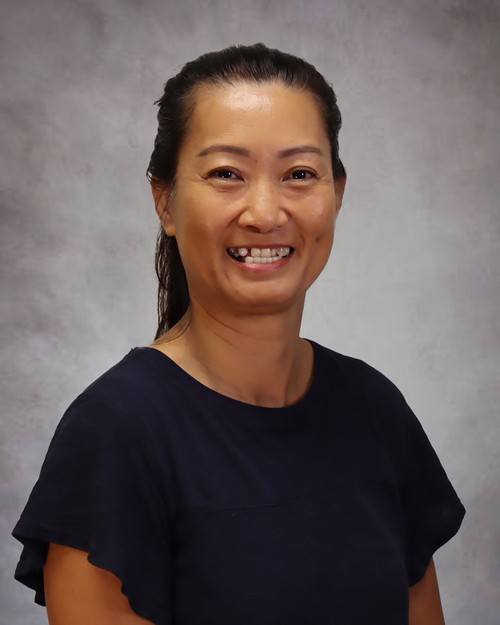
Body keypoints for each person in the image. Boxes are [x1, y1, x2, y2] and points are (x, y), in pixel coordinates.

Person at [12, 43, 465, 625]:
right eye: (227, 174)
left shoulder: (376, 409)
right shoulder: (115, 433)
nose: (265, 213)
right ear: (165, 202)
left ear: (337, 195)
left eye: (299, 174)